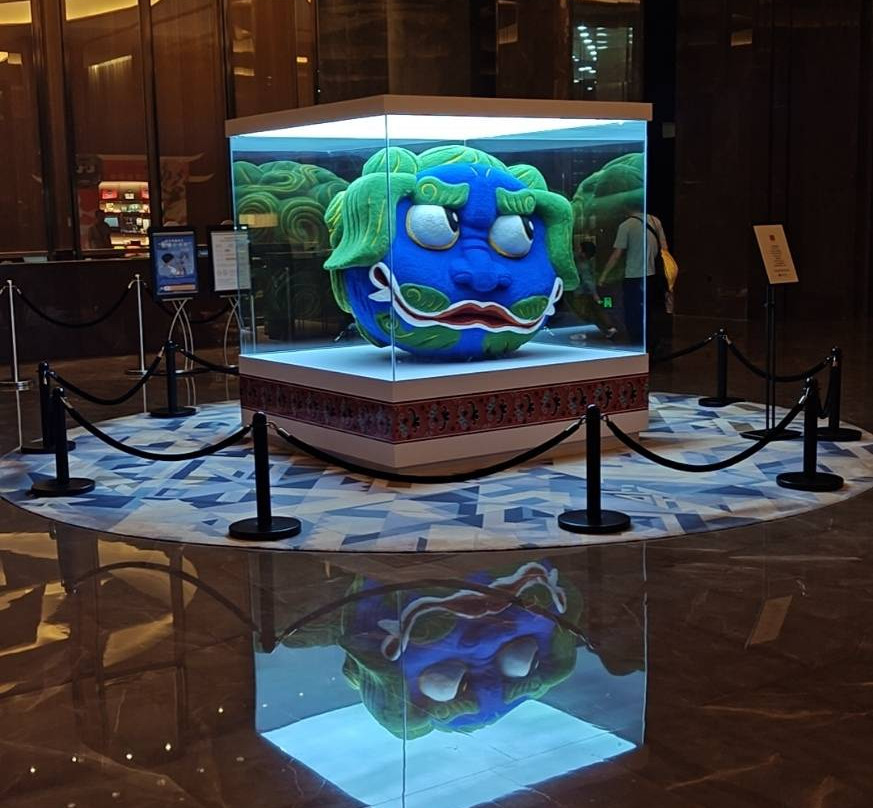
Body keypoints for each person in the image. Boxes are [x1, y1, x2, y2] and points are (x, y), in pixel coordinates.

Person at [601, 206, 669, 351]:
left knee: (632, 310)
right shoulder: (655, 221)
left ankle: (637, 342)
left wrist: (604, 275)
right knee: (650, 309)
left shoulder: (626, 226)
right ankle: (652, 341)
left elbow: (617, 254)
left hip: (633, 276)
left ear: (625, 208)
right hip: (652, 275)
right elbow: (664, 248)